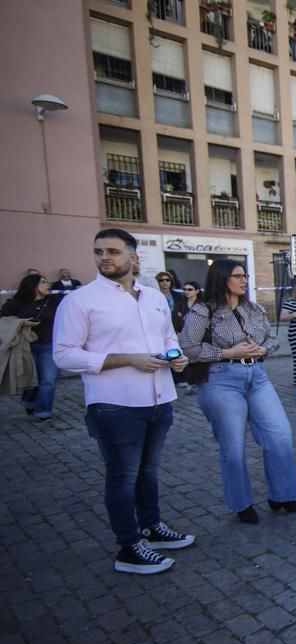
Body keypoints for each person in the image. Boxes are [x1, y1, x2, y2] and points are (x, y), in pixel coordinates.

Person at [52, 228, 195, 574]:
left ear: (133, 258)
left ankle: (152, 528)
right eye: (99, 252)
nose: (105, 258)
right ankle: (128, 548)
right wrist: (125, 359)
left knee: (148, 472)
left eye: (113, 252)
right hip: (114, 404)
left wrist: (178, 358)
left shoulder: (152, 296)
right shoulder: (80, 300)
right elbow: (64, 355)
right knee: (122, 476)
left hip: (159, 399)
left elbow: (167, 336)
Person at [179, 259, 296, 524]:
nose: (244, 280)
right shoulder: (204, 311)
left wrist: (264, 350)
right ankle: (241, 503)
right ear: (221, 278)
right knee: (233, 445)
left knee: (280, 434)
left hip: (257, 376)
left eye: (245, 275)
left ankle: (282, 495)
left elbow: (271, 339)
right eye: (238, 276)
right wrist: (227, 352)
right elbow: (188, 348)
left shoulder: (253, 308)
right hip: (220, 378)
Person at [2, 274, 61, 419]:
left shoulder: (54, 301)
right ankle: (29, 401)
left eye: (47, 282)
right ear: (32, 285)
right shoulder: (15, 303)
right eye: (43, 282)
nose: (47, 285)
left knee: (48, 379)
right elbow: (3, 320)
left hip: (49, 345)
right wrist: (22, 323)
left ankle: (43, 411)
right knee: (31, 379)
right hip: (25, 347)